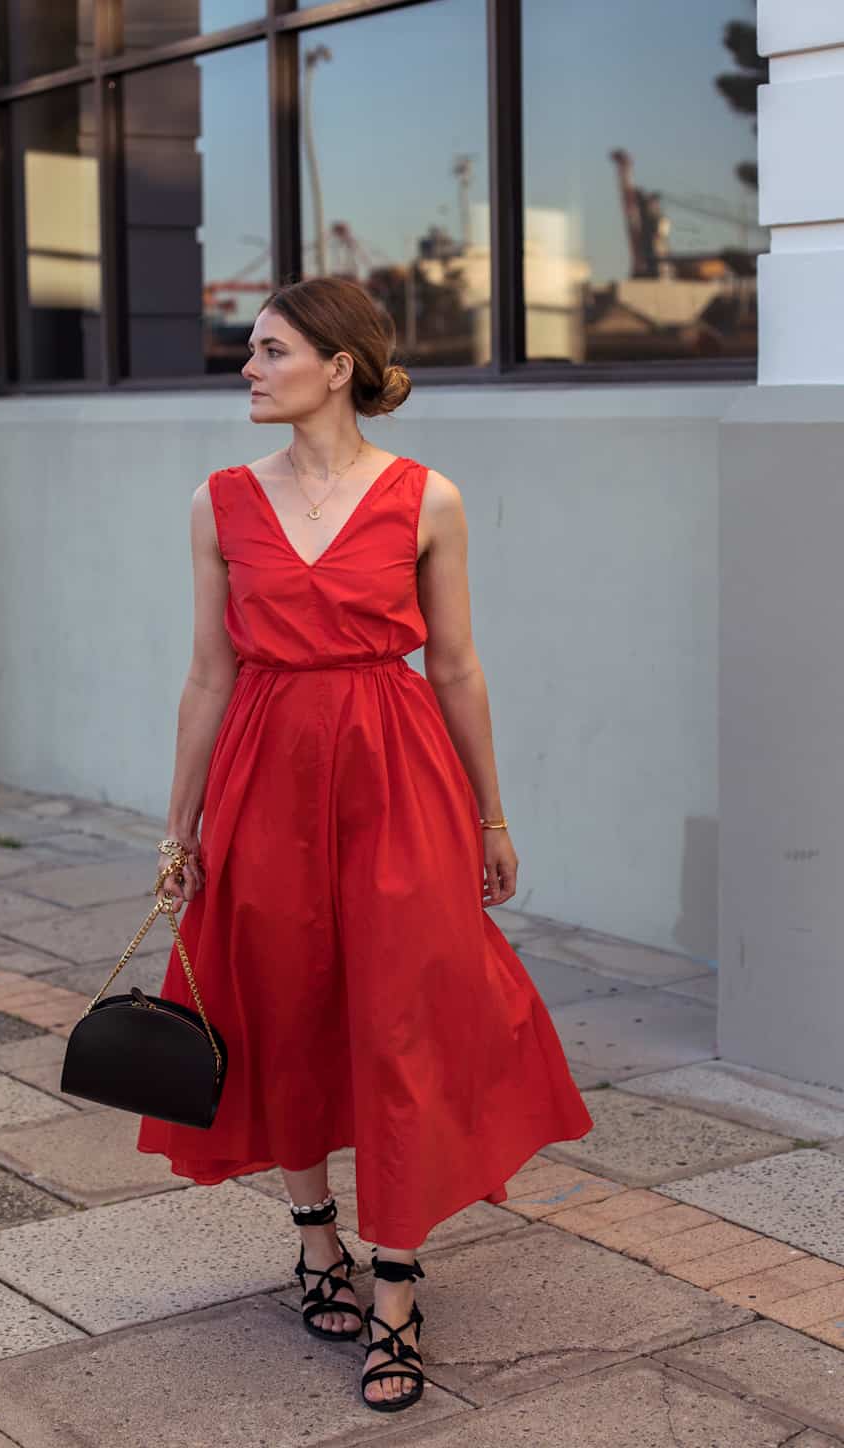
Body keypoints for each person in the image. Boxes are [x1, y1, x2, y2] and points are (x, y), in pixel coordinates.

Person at [137, 275, 593, 1413]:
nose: (246, 366)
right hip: (262, 776)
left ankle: (396, 1283)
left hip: (394, 778)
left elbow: (455, 667)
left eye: (269, 348)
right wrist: (178, 824)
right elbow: (208, 672)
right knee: (282, 1009)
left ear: (337, 366)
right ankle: (315, 1238)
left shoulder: (426, 497)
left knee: (402, 1019)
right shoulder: (218, 501)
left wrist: (491, 816)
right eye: (250, 350)